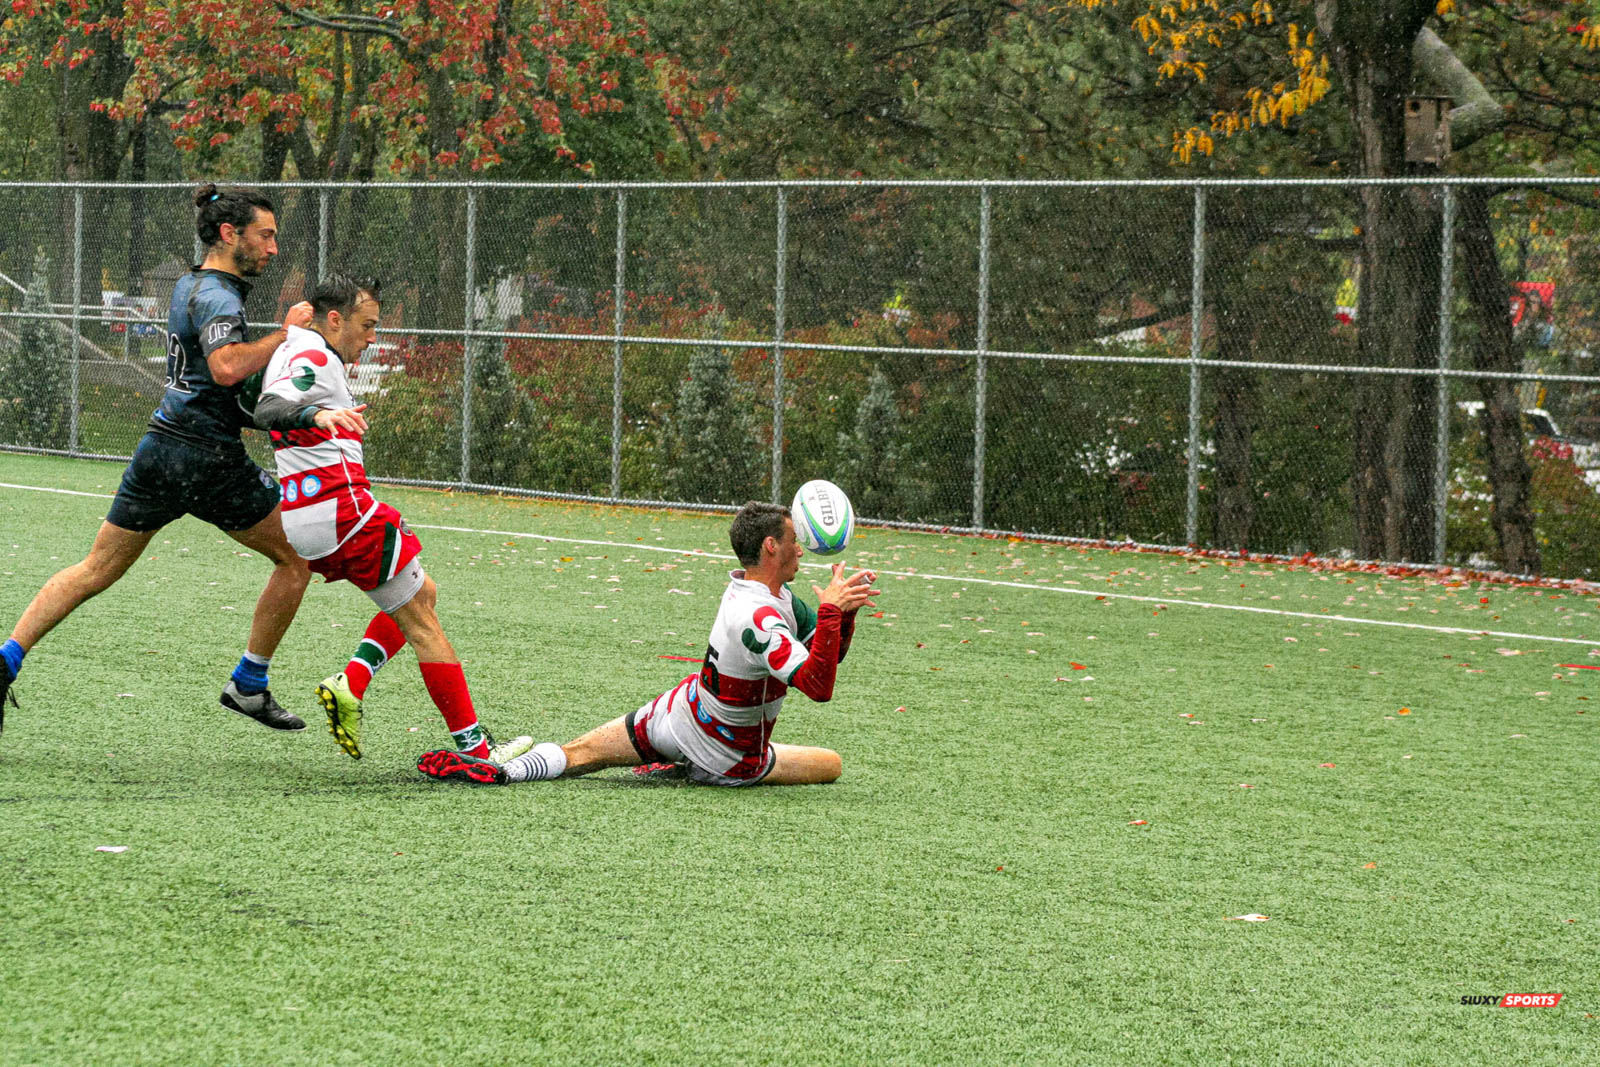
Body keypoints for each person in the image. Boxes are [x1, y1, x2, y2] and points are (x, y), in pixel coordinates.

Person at [0, 184, 314, 733]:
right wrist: (286, 337)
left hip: (162, 447)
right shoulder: (220, 295)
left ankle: (5, 659)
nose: (273, 248)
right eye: (265, 236)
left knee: (95, 569)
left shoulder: (189, 283)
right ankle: (249, 683)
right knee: (298, 557)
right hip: (205, 459)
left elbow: (208, 382)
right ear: (228, 234)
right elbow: (225, 367)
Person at [252, 273, 531, 764]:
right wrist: (316, 417)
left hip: (309, 517)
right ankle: (479, 750)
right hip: (346, 513)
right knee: (424, 624)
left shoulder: (296, 345)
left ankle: (351, 683)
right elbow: (270, 407)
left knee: (424, 593)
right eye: (367, 325)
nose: (373, 336)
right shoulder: (314, 354)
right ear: (335, 320)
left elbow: (263, 391)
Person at [417, 501, 878, 788]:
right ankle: (687, 767)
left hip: (681, 713)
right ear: (771, 547)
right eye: (796, 541)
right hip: (730, 756)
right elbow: (818, 685)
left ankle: (505, 773)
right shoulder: (758, 616)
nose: (804, 550)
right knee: (831, 764)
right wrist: (833, 612)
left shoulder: (756, 592)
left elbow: (824, 654)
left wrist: (845, 614)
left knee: (583, 754)